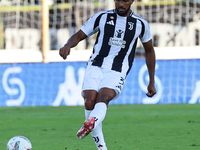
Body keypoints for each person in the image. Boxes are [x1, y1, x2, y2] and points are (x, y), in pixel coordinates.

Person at [59, 0, 156, 149]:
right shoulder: (101, 17)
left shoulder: (140, 24)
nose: (121, 4)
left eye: (125, 1)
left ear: (131, 1)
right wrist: (67, 45)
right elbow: (78, 35)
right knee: (89, 101)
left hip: (118, 69)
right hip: (96, 65)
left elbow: (149, 51)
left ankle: (91, 122)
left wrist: (151, 80)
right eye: (118, 0)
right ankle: (100, 144)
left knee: (104, 97)